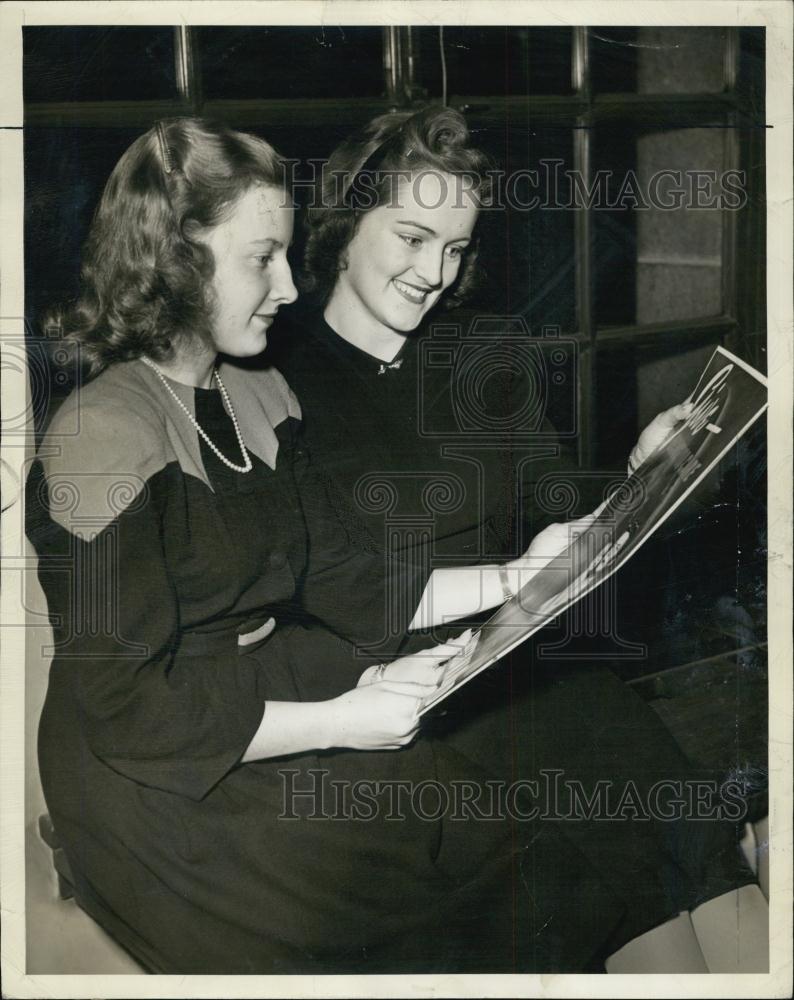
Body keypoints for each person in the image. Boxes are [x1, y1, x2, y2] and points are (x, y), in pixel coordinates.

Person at [28, 116, 642, 975]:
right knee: (410, 919)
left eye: (286, 254)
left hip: (262, 698)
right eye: (261, 259)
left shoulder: (261, 391)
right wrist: (341, 719)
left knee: (520, 842)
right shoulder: (99, 437)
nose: (287, 286)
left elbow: (354, 584)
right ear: (175, 259)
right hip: (157, 780)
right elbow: (128, 711)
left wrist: (522, 570)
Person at [268, 105, 762, 971]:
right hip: (424, 696)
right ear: (346, 226)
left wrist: (639, 471)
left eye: (455, 248)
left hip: (532, 663)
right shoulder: (279, 381)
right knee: (639, 899)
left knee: (718, 880)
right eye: (413, 238)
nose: (434, 272)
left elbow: (547, 495)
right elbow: (317, 588)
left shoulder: (476, 352)